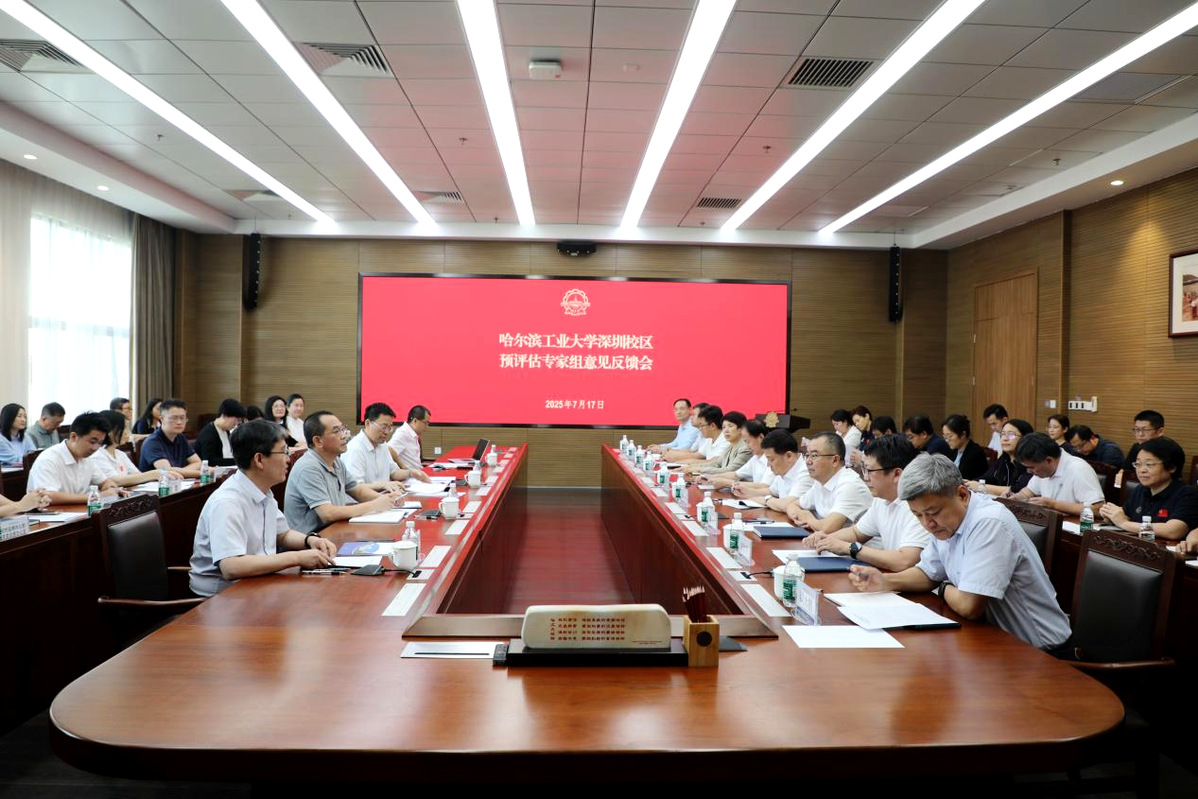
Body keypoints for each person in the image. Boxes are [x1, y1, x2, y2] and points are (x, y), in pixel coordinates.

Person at [848, 453, 1073, 655]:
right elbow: (928, 573)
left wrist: (942, 586)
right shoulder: (947, 524)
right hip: (992, 642)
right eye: (918, 515)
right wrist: (884, 581)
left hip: (1041, 653)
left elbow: (969, 605)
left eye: (933, 513)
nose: (927, 524)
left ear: (962, 494)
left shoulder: (989, 523)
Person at [189, 419, 338, 597]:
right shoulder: (228, 502)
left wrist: (310, 540)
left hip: (256, 584)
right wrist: (297, 558)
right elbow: (231, 567)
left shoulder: (263, 491)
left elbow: (283, 534)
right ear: (259, 459)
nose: (288, 459)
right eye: (283, 452)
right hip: (221, 597)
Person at [803, 434, 931, 571]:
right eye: (864, 469)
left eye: (869, 471)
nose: (865, 477)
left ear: (897, 474)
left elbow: (905, 561)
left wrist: (848, 548)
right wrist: (825, 539)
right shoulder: (881, 500)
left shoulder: (919, 505)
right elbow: (856, 532)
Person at [285, 411, 408, 533]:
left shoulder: (336, 462)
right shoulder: (308, 468)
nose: (344, 435)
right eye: (336, 431)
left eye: (343, 429)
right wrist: (374, 504)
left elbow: (358, 491)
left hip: (335, 529)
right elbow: (327, 513)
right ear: (318, 441)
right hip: (312, 539)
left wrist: (386, 499)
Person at [1098, 437, 1198, 541]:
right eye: (1138, 464)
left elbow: (1173, 531)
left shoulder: (1187, 494)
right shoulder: (1140, 489)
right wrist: (1111, 515)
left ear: (1172, 467)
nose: (1141, 470)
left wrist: (1123, 523)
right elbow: (1125, 515)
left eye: (1149, 465)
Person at [785, 431, 872, 533]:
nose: (808, 461)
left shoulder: (850, 485)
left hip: (854, 543)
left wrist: (808, 518)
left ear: (835, 460)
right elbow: (792, 505)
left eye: (814, 455)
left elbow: (827, 528)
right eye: (807, 455)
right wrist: (800, 515)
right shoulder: (821, 481)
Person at [27, 412, 119, 504]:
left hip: (78, 510)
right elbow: (47, 496)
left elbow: (105, 482)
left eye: (100, 443)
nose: (95, 448)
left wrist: (111, 489)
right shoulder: (48, 459)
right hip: (52, 512)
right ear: (74, 437)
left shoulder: (87, 458)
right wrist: (94, 497)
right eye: (92, 442)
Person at [1011, 432, 1105, 515]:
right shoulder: (1042, 469)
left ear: (1049, 460)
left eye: (1031, 467)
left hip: (1073, 526)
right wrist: (1016, 498)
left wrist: (1053, 504)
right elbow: (1030, 491)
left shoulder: (1079, 469)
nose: (1028, 471)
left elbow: (1097, 509)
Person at [345, 402, 429, 491]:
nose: (386, 432)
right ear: (368, 424)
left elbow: (393, 472)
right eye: (383, 427)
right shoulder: (355, 449)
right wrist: (383, 485)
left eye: (389, 428)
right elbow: (354, 487)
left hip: (385, 496)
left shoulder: (382, 445)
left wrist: (411, 473)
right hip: (367, 499)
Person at [90, 410, 182, 487]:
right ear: (110, 431)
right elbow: (115, 481)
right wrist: (154, 474)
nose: (128, 433)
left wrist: (157, 474)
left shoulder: (120, 454)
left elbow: (138, 475)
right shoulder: (97, 455)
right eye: (125, 428)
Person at [734, 429, 812, 510]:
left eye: (771, 459)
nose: (768, 465)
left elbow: (789, 504)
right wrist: (747, 491)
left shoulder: (806, 472)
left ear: (789, 456)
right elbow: (771, 491)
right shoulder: (784, 469)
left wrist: (766, 500)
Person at [965, 418, 1034, 496]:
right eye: (1003, 434)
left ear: (1025, 438)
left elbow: (1018, 489)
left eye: (1011, 435)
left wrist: (981, 487)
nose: (1005, 439)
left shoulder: (1030, 462)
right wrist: (968, 483)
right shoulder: (1004, 459)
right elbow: (987, 478)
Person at [138, 399, 203, 477]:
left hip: (178, 481)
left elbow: (197, 462)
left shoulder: (180, 437)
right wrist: (203, 473)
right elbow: (167, 471)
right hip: (157, 484)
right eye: (174, 418)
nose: (179, 422)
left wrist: (180, 472)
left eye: (182, 418)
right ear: (162, 419)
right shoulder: (152, 442)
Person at [707, 419, 769, 489]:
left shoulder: (771, 458)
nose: (747, 446)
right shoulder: (755, 458)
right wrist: (709, 477)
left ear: (761, 437)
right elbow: (736, 474)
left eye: (748, 441)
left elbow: (765, 486)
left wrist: (727, 482)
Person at [685, 411, 751, 476]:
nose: (726, 430)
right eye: (724, 427)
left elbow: (730, 470)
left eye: (730, 426)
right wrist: (691, 466)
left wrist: (699, 469)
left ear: (741, 429)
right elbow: (717, 464)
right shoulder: (729, 447)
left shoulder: (745, 448)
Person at [193, 399, 246, 467]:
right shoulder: (209, 433)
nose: (236, 423)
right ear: (224, 415)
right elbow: (210, 461)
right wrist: (237, 461)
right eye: (236, 420)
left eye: (239, 421)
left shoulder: (226, 431)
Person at [941, 413, 989, 480]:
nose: (947, 440)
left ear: (963, 435)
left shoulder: (975, 453)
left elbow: (965, 477)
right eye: (945, 436)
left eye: (950, 436)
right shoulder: (953, 450)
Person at [388, 404, 431, 471]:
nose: (427, 427)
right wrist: (403, 467)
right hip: (409, 476)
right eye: (425, 423)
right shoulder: (402, 434)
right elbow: (388, 452)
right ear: (415, 421)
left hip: (418, 473)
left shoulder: (413, 434)